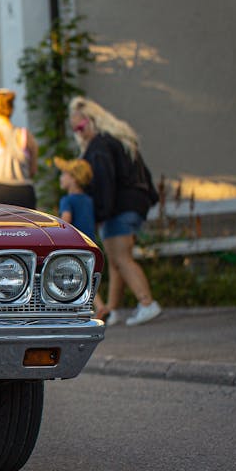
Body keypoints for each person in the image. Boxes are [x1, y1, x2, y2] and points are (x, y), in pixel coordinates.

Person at [68, 96, 161, 327]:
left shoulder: (99, 146)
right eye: (74, 129)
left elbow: (105, 184)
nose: (78, 133)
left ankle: (147, 303)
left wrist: (99, 214)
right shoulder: (120, 140)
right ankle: (113, 309)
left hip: (118, 207)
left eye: (80, 126)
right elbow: (145, 177)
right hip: (133, 205)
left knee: (121, 257)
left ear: (92, 121)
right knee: (116, 260)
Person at [54, 156, 107, 319]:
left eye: (64, 174)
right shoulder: (88, 200)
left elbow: (66, 221)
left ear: (74, 179)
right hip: (90, 243)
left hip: (74, 245)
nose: (61, 178)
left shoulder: (67, 200)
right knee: (88, 277)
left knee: (78, 278)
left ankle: (97, 307)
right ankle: (100, 306)